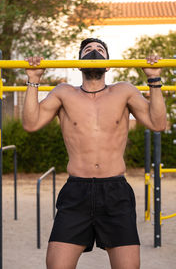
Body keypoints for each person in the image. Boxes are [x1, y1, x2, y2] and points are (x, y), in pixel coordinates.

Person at [23, 38, 167, 269]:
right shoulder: (64, 93)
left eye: (100, 50)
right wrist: (33, 80)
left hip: (115, 192)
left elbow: (158, 124)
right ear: (78, 64)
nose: (94, 52)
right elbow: (31, 124)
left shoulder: (124, 91)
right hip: (76, 192)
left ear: (109, 64)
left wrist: (154, 79)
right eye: (88, 50)